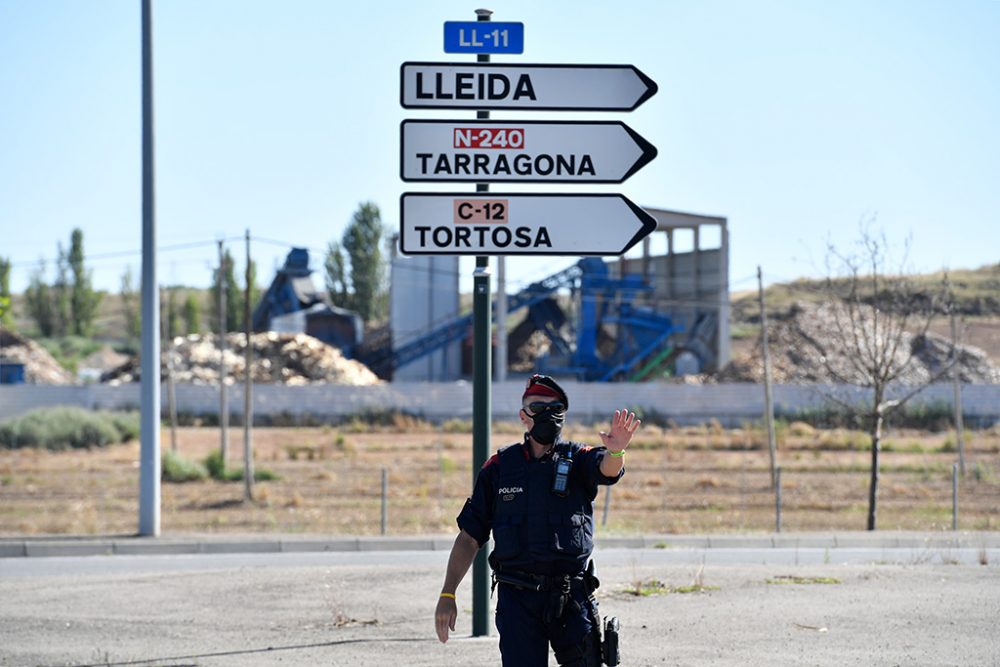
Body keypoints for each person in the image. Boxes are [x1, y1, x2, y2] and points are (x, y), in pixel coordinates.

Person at [434, 374, 640, 666]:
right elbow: (470, 537)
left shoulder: (577, 458)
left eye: (555, 408)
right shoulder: (499, 467)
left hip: (571, 597)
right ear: (523, 416)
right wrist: (448, 592)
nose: (548, 414)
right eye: (538, 406)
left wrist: (617, 450)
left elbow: (607, 469)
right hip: (518, 599)